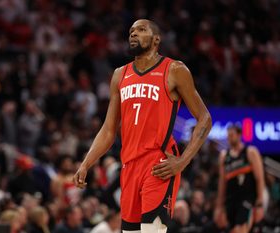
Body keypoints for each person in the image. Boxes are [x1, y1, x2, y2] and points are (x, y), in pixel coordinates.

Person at [73, 19, 212, 233]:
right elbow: (109, 129)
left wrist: (182, 162)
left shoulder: (174, 69)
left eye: (141, 29)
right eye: (131, 31)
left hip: (158, 163)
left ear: (156, 39)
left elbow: (204, 118)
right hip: (129, 166)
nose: (133, 33)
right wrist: (86, 163)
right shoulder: (120, 75)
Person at [214, 124, 265, 233]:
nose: (229, 138)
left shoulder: (250, 152)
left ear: (239, 135)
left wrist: (260, 203)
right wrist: (219, 206)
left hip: (247, 199)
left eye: (232, 135)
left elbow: (260, 179)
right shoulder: (224, 156)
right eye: (228, 135)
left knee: (240, 230)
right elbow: (222, 183)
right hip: (231, 200)